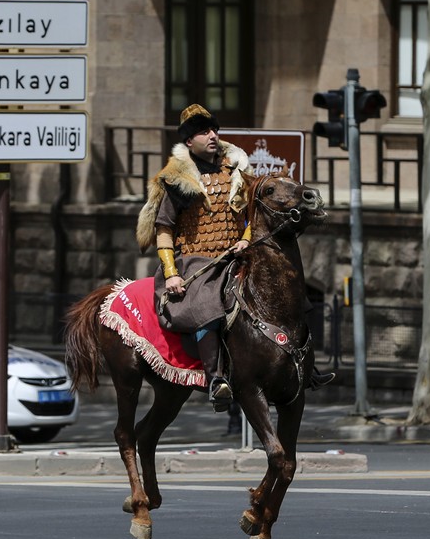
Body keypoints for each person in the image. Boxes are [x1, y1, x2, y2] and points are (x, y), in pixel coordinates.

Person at [138, 104, 333, 411]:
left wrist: (244, 240)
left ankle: (306, 367)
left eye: (214, 129)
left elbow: (249, 218)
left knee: (290, 293)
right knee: (205, 304)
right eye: (204, 132)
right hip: (197, 262)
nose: (213, 135)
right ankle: (217, 379)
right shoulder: (177, 180)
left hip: (238, 254)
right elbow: (164, 229)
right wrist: (172, 272)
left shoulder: (237, 171)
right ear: (189, 141)